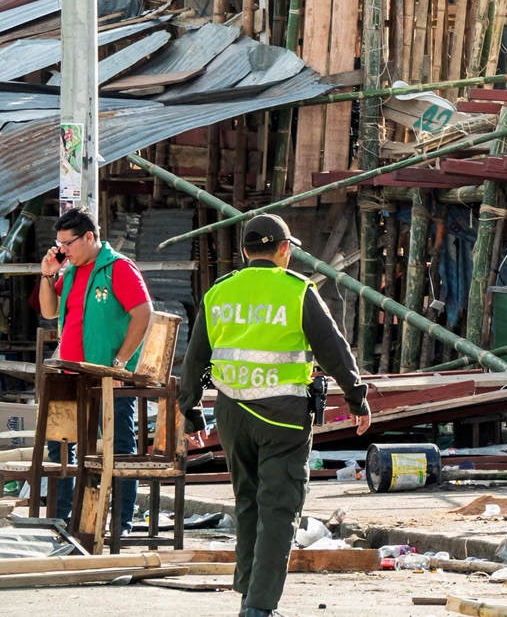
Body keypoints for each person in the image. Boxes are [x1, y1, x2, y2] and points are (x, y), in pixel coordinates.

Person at [179, 215, 372, 617]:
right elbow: (334, 351)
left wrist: (191, 410)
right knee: (280, 509)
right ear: (285, 249)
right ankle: (259, 608)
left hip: (231, 415)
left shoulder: (219, 293)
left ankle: (249, 589)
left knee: (247, 501)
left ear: (246, 251)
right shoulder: (298, 291)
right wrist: (357, 399)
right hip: (283, 417)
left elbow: (195, 356)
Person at [37, 206, 153, 524]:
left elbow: (144, 313)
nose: (62, 250)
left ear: (89, 237)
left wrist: (119, 365)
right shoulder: (71, 272)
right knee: (61, 449)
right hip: (70, 373)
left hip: (109, 378)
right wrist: (49, 274)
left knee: (120, 451)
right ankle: (63, 521)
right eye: (58, 244)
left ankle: (121, 525)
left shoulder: (118, 268)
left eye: (67, 244)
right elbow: (48, 311)